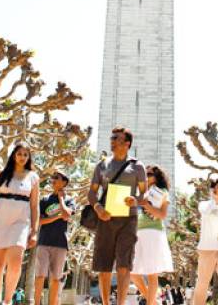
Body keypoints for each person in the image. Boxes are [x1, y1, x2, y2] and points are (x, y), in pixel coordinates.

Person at [88, 127, 148, 305]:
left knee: (124, 264)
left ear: (127, 143)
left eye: (116, 138)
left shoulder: (138, 166)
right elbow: (91, 193)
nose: (112, 140)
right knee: (104, 266)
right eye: (112, 137)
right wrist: (98, 208)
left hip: (128, 220)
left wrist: (135, 199)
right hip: (105, 219)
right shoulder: (102, 165)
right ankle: (106, 303)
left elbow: (145, 194)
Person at [0, 143, 40, 305]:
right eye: (19, 153)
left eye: (25, 155)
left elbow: (35, 206)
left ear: (29, 158)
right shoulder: (1, 174)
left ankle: (7, 301)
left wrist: (34, 231)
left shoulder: (33, 177)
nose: (22, 157)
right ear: (14, 155)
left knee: (15, 262)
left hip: (20, 222)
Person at [131, 165, 174, 304]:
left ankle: (151, 303)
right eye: (145, 174)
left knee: (151, 274)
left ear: (157, 177)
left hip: (153, 233)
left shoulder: (163, 192)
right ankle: (154, 302)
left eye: (150, 174)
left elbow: (162, 215)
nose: (147, 176)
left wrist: (147, 206)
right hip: (138, 233)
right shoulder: (142, 192)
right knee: (132, 273)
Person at [34, 171, 76, 305]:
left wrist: (61, 199)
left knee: (56, 278)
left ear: (64, 182)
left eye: (56, 178)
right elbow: (39, 221)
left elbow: (67, 215)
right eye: (52, 178)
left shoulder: (70, 200)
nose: (53, 180)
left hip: (60, 243)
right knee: (40, 275)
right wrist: (57, 217)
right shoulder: (45, 200)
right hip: (44, 242)